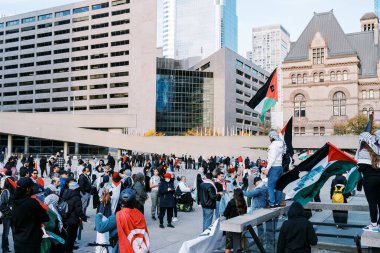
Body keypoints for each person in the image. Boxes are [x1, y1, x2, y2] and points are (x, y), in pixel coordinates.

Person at [95, 188, 150, 253]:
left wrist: (99, 213)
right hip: (137, 248)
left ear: (120, 201)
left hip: (121, 248)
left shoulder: (118, 215)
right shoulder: (140, 214)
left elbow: (100, 227)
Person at [12, 177, 50, 253]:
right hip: (31, 242)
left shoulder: (15, 201)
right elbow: (45, 217)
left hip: (18, 240)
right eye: (31, 187)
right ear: (27, 189)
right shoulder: (31, 202)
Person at [357, 134, 380, 232]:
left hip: (369, 180)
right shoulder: (377, 151)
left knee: (372, 203)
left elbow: (361, 167)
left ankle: (374, 225)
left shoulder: (363, 152)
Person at [62, 181, 87, 253]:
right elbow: (79, 210)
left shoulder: (65, 193)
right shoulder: (76, 197)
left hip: (66, 218)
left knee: (67, 237)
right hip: (73, 220)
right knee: (72, 238)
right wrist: (84, 218)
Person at [263, 130, 284, 208]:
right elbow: (282, 138)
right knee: (279, 186)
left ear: (272, 137)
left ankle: (272, 203)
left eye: (269, 137)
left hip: (274, 167)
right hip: (280, 167)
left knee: (270, 186)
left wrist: (267, 168)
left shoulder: (272, 146)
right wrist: (280, 134)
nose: (269, 138)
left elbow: (272, 158)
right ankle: (277, 203)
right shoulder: (281, 144)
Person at [223, 188, 247, 253]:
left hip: (230, 226)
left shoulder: (231, 202)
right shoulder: (244, 202)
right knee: (240, 245)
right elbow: (245, 213)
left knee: (228, 246)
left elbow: (225, 213)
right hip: (240, 226)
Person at [0, 178, 15, 253]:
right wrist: (9, 211)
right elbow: (2, 205)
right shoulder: (6, 192)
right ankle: (5, 249)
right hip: (7, 216)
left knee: (15, 232)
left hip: (14, 216)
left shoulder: (15, 191)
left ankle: (17, 247)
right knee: (6, 233)